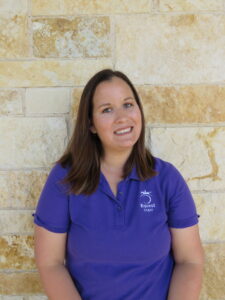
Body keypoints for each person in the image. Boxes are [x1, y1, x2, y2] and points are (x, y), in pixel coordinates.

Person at [33, 69, 204, 300]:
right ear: (91, 124)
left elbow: (189, 261)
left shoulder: (166, 178)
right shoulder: (64, 179)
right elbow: (50, 263)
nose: (122, 117)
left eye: (128, 104)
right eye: (107, 109)